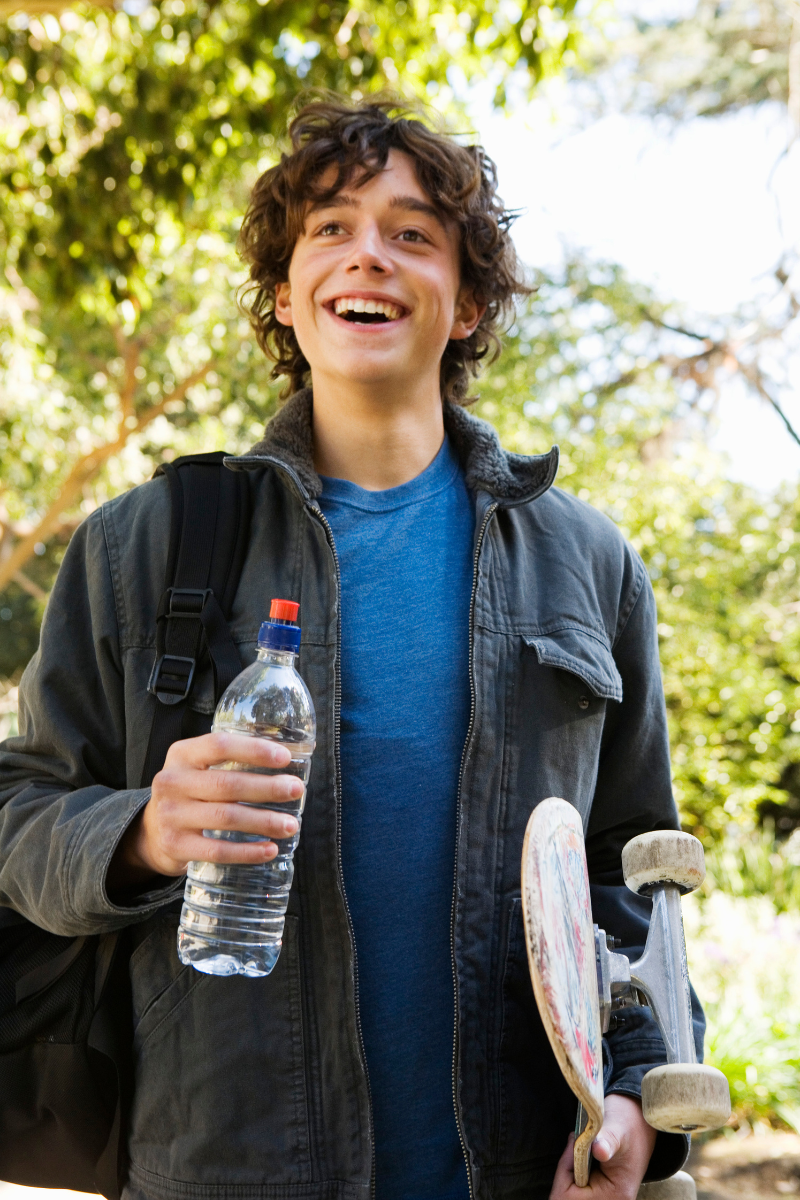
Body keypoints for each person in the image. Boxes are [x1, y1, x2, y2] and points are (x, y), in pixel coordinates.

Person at [0, 96, 702, 1200]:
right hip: (220, 1172)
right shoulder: (144, 544)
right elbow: (18, 814)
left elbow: (631, 884)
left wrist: (636, 1107)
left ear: (466, 303)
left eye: (411, 233)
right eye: (328, 228)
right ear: (285, 294)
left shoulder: (587, 564)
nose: (364, 253)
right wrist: (139, 831)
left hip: (516, 1173)